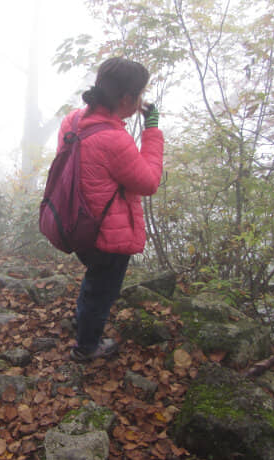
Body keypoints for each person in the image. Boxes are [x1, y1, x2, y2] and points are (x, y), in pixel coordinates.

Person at [57, 57, 164, 362]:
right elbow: (148, 181)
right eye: (139, 95)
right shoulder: (114, 139)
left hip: (77, 223)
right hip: (109, 232)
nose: (141, 102)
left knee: (95, 280)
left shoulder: (73, 120)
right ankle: (87, 347)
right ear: (128, 99)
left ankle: (83, 322)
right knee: (102, 291)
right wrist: (152, 131)